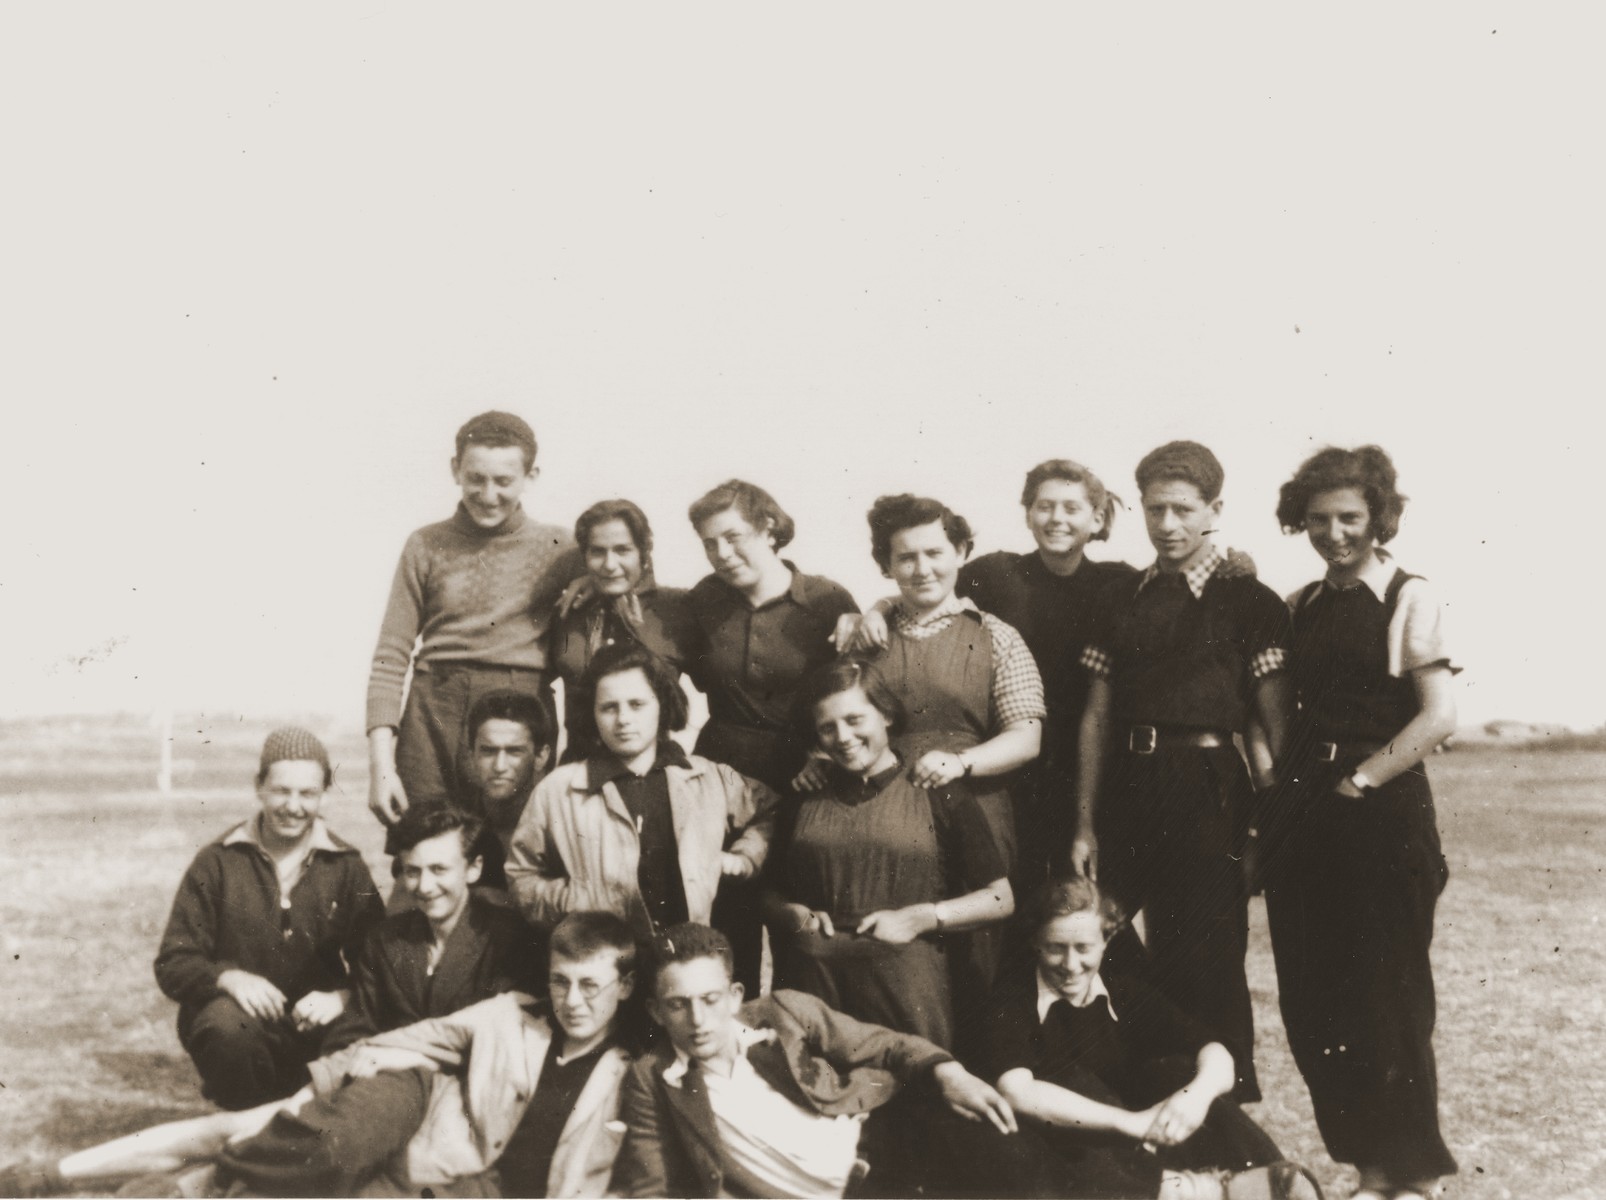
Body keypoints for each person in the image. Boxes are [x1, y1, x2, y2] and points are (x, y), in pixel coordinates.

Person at [9, 913, 638, 1198]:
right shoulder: (509, 1016)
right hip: (419, 1151)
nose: (573, 1000)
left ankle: (183, 1189)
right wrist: (340, 1076)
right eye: (562, 981)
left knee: (258, 1150)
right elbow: (417, 1039)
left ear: (625, 986)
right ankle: (55, 1180)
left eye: (591, 985)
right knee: (250, 1127)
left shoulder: (633, 1069)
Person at [1262, 446, 1458, 1200]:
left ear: (1379, 517)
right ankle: (1369, 1167)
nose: (1335, 534)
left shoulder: (1408, 594)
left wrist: (1361, 780)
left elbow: (1438, 716)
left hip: (1382, 816)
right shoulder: (1301, 603)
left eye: (1350, 518)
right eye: (1318, 520)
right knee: (1316, 1001)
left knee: (1388, 999)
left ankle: (1414, 1176)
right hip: (1307, 818)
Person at [1074, 441, 1292, 1100]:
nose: (1167, 524)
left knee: (1206, 958)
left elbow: (1275, 725)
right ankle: (1144, 1077)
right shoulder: (1120, 598)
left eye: (1183, 509)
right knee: (1089, 932)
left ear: (1215, 509)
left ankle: (1219, 1113)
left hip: (1209, 789)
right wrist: (1084, 825)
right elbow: (1095, 719)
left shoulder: (1250, 600)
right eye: (1154, 509)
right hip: (1126, 788)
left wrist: (1268, 827)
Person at [610, 923, 1022, 1200]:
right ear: (655, 1011)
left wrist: (949, 1072)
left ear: (734, 995)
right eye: (678, 1005)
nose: (697, 1020)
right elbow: (650, 1186)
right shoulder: (655, 1078)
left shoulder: (781, 1012)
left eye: (709, 1000)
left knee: (1010, 1160)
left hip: (883, 1142)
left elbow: (884, 1045)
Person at [979, 879, 1319, 1200]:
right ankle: (1198, 1189)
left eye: (1083, 948)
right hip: (1066, 1148)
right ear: (1035, 942)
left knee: (1180, 1072)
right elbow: (1015, 1089)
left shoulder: (1123, 992)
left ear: (1106, 941)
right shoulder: (1014, 1000)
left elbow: (1216, 1049)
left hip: (1138, 1139)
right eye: (1055, 948)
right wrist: (1130, 1123)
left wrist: (1195, 1097)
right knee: (1072, 1082)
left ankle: (1271, 1180)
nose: (1071, 964)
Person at [764, 659, 1013, 1049]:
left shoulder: (937, 791)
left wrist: (924, 917)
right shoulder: (803, 796)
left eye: (855, 719)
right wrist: (792, 914)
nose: (843, 737)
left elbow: (1000, 899)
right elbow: (770, 893)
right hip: (817, 990)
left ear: (886, 716)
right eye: (827, 727)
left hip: (906, 992)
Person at [366, 410, 581, 831]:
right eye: (475, 478)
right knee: (426, 853)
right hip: (434, 712)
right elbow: (390, 657)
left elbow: (623, 571)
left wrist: (587, 583)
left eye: (504, 481)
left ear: (530, 475)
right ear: (455, 470)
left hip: (522, 708)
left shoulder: (560, 546)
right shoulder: (425, 544)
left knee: (517, 858)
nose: (488, 494)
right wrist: (380, 766)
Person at [684, 478, 860, 994]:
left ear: (769, 528)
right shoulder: (704, 600)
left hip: (806, 777)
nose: (722, 552)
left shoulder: (827, 599)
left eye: (734, 536)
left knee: (800, 921)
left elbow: (854, 691)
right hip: (721, 779)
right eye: (709, 542)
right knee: (725, 920)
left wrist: (823, 754)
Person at [152, 727, 383, 1110]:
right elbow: (174, 962)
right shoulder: (218, 862)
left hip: (315, 1029)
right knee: (228, 1029)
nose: (293, 806)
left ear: (324, 793)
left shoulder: (345, 866)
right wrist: (227, 978)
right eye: (281, 790)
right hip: (241, 1027)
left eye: (307, 793)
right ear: (259, 786)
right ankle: (241, 1121)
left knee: (359, 1042)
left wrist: (343, 997)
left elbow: (380, 962)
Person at [506, 642, 779, 941]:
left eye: (637, 705)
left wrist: (744, 857)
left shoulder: (706, 777)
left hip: (682, 963)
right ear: (592, 713)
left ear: (662, 705)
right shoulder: (560, 790)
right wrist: (572, 901)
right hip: (603, 963)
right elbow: (521, 875)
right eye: (609, 707)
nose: (623, 720)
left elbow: (769, 810)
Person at [322, 803, 544, 1053]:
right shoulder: (385, 941)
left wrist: (403, 1054)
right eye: (413, 872)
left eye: (439, 869)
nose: (425, 886)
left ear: (473, 868)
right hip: (389, 1082)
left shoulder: (507, 940)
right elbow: (351, 1032)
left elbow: (508, 1041)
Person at [550, 498, 699, 740]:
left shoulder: (677, 608)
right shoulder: (570, 609)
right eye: (598, 552)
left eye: (623, 550)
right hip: (580, 766)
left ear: (643, 553)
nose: (610, 565)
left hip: (652, 767)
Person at [456, 688, 556, 890]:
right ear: (472, 755)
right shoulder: (455, 824)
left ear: (541, 757)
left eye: (514, 751)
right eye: (488, 751)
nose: (499, 766)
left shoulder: (557, 825)